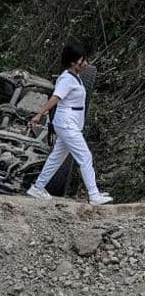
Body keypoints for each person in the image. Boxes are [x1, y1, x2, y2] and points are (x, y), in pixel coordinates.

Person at [26, 44, 112, 205]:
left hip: (69, 122)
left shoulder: (75, 77)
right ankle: (94, 195)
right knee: (85, 157)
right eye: (82, 60)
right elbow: (55, 98)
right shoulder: (67, 79)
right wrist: (39, 114)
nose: (85, 63)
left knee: (56, 158)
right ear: (73, 62)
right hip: (67, 123)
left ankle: (37, 187)